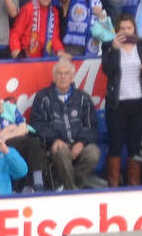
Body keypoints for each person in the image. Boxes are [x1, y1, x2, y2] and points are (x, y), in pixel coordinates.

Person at [30, 57, 101, 188]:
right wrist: (55, 139)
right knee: (61, 152)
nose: (63, 77)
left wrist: (81, 143)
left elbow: (91, 127)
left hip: (80, 143)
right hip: (56, 145)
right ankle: (73, 190)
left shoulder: (83, 97)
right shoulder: (43, 97)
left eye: (66, 73)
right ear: (54, 77)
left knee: (93, 153)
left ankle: (71, 184)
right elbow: (37, 124)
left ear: (72, 77)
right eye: (59, 73)